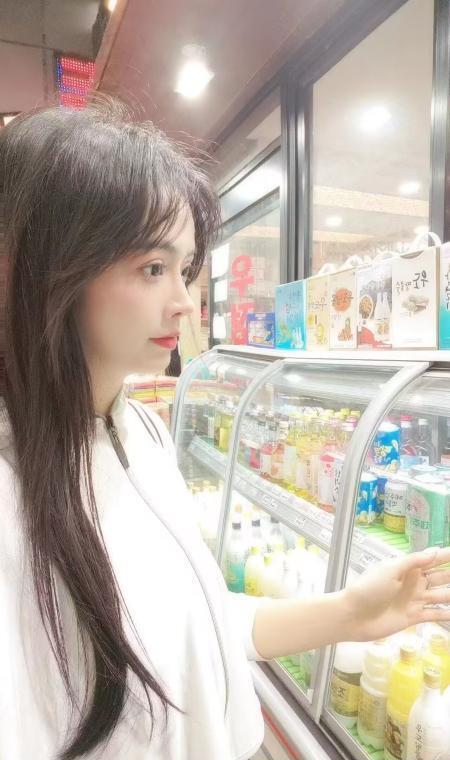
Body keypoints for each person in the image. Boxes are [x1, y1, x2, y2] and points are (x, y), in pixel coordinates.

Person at [0, 100, 449, 760]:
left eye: (184, 270)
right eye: (152, 269)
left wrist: (351, 614)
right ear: (48, 271)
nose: (184, 303)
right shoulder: (13, 498)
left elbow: (199, 623)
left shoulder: (140, 430)